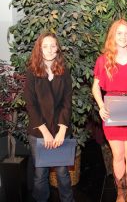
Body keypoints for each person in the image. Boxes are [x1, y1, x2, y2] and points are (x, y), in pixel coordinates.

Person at [92, 19, 127, 202]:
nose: (123, 37)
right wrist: (101, 107)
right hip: (112, 109)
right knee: (118, 156)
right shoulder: (103, 60)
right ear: (113, 36)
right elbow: (95, 87)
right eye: (119, 33)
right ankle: (120, 192)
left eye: (126, 33)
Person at [24, 32, 74, 202]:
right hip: (39, 131)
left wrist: (62, 130)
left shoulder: (64, 71)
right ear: (39, 49)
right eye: (45, 46)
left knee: (62, 172)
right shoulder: (31, 72)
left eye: (53, 45)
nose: (50, 49)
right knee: (40, 174)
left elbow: (67, 102)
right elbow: (30, 105)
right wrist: (45, 132)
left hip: (60, 128)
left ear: (58, 48)